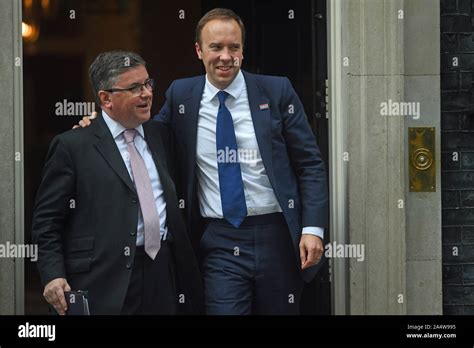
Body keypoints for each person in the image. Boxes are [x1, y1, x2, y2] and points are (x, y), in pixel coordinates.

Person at [79, 8, 328, 315]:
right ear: (199, 50)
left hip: (276, 233)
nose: (226, 56)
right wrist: (100, 125)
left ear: (242, 51)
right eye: (216, 47)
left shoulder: (276, 91)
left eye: (233, 47)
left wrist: (313, 228)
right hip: (219, 240)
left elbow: (310, 164)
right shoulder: (182, 94)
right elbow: (145, 134)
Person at [32, 51, 204, 315]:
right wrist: (52, 274)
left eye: (148, 84)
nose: (146, 93)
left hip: (163, 274)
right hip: (103, 280)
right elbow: (47, 221)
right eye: (134, 87)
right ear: (105, 98)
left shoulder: (163, 136)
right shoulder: (73, 146)